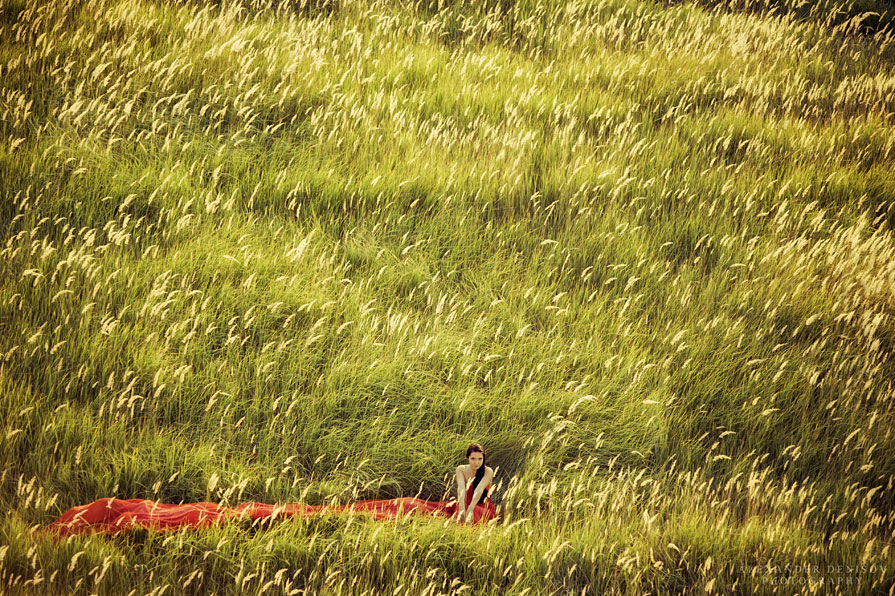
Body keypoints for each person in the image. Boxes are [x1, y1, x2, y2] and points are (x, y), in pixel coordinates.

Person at [46, 443, 497, 536]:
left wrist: (466, 510)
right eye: (473, 460)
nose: (476, 464)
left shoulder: (484, 484)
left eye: (479, 461)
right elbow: (462, 498)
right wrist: (459, 511)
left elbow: (471, 500)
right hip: (431, 509)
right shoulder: (463, 473)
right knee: (262, 512)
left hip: (437, 511)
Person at [453, 442, 496, 525]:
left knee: (475, 511)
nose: (476, 462)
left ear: (483, 459)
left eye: (480, 459)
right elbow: (461, 488)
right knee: (458, 508)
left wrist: (471, 508)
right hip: (465, 503)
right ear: (467, 458)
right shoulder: (461, 469)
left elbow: (479, 489)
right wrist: (462, 508)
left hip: (482, 506)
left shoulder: (488, 471)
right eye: (473, 458)